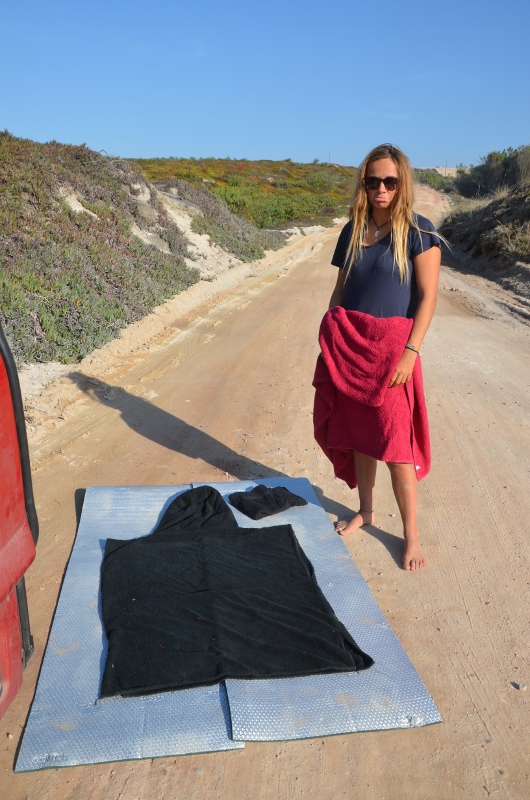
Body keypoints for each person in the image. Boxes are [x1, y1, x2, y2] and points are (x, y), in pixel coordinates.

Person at [312, 143, 441, 571]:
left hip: (392, 352)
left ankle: (411, 537)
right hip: (351, 347)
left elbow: (427, 298)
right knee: (361, 438)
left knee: (398, 448)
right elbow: (341, 288)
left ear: (403, 183)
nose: (381, 189)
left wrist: (410, 352)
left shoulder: (419, 232)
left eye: (389, 181)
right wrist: (331, 332)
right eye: (372, 182)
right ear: (363, 184)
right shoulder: (353, 230)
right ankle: (365, 512)